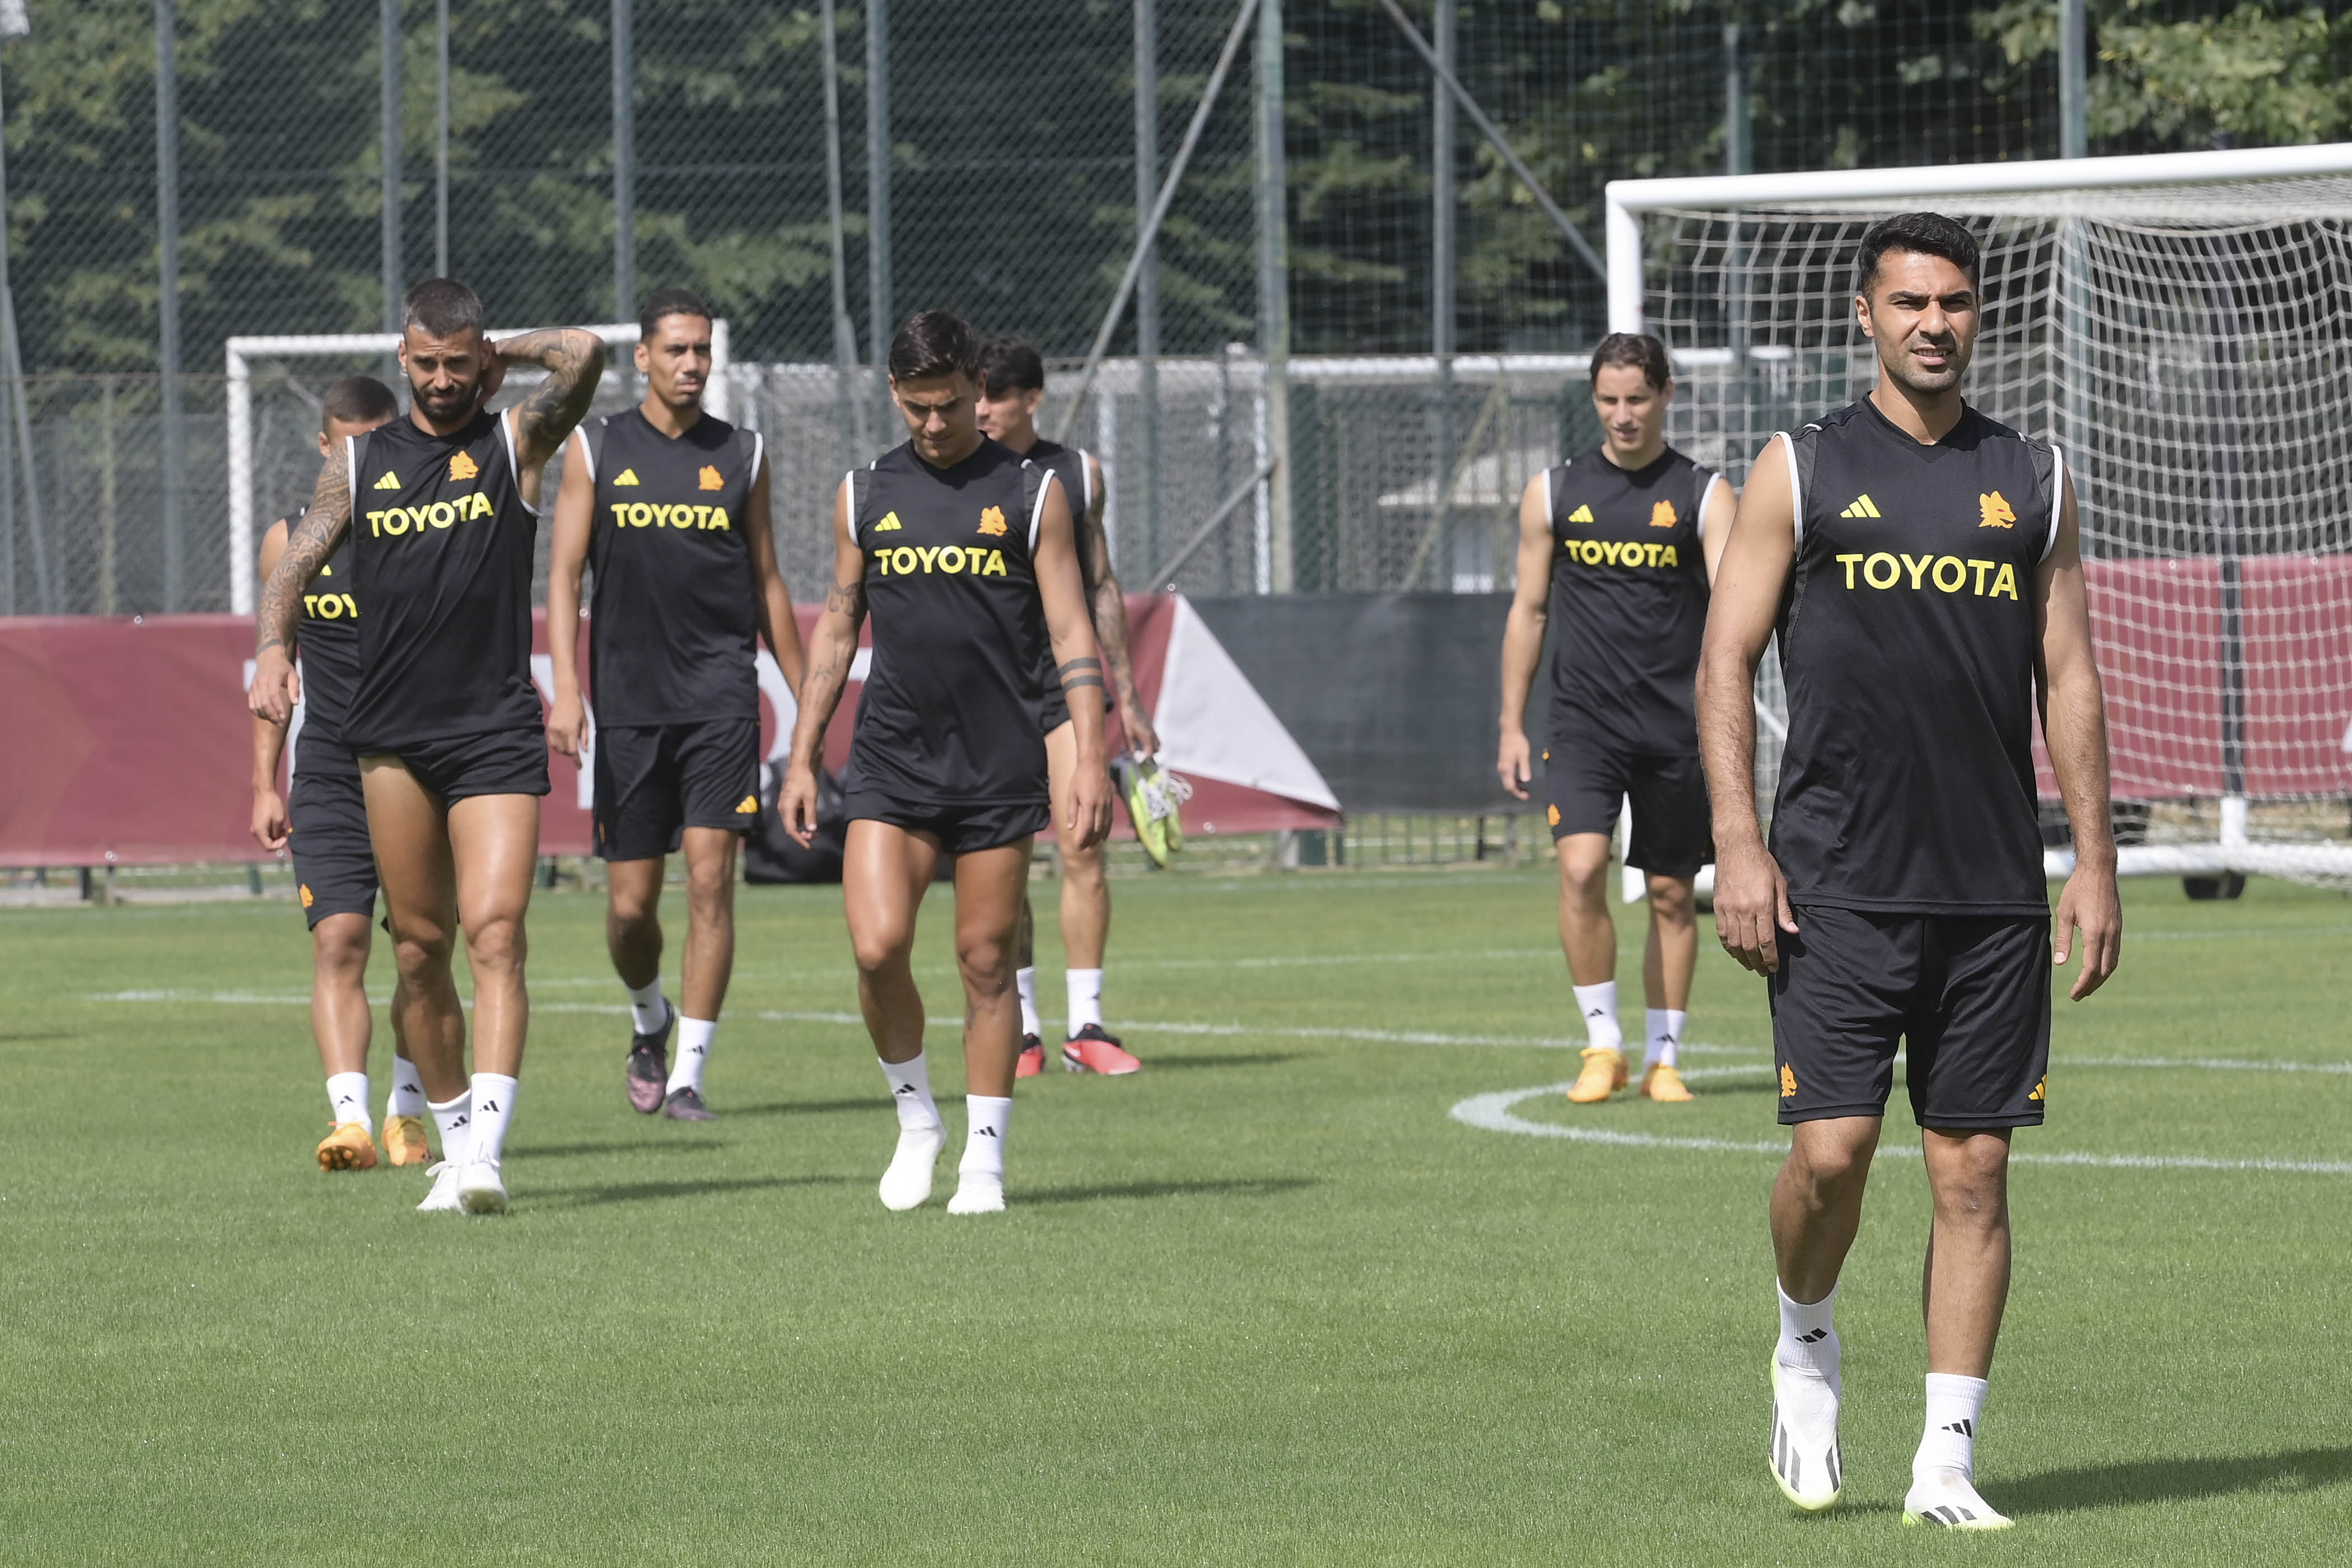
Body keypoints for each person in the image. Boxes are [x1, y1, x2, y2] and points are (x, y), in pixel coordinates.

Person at [1696, 212, 2120, 1529]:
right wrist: (1739, 840)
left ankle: (1946, 1458)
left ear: (1977, 315)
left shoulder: (2033, 476)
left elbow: (2069, 678)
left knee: (1974, 1172)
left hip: (1992, 889)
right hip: (1833, 878)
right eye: (1909, 302)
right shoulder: (1799, 468)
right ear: (1866, 316)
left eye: (1955, 302)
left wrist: (2096, 862)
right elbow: (1722, 666)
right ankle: (1805, 1339)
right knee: (1831, 1154)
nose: (1934, 322)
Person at [250, 278, 608, 1217]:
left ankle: (484, 1152)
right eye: (429, 363)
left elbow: (587, 354)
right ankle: (452, 1147)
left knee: (497, 933)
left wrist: (506, 352)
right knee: (417, 953)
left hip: (492, 730)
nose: (445, 380)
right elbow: (291, 569)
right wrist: (272, 649)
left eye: (460, 362)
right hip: (388, 741)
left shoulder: (512, 442)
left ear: (476, 359)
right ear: (402, 361)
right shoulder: (359, 466)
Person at [782, 310, 1111, 1216]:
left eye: (953, 405)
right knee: (877, 945)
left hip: (999, 761)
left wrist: (1087, 758)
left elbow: (1072, 629)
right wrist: (805, 754)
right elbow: (840, 624)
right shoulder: (863, 494)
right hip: (892, 756)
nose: (935, 424)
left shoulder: (1032, 493)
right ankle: (918, 1118)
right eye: (919, 407)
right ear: (896, 393)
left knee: (983, 962)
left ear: (978, 389)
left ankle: (984, 1163)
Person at [546, 287, 805, 1122]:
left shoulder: (744, 454)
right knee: (628, 909)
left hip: (721, 701)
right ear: (644, 358)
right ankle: (648, 1018)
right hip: (626, 707)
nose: (693, 365)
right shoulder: (596, 447)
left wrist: (811, 707)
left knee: (710, 884)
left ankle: (690, 1072)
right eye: (678, 350)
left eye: (703, 351)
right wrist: (567, 688)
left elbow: (768, 581)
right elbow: (562, 576)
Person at [1497, 333, 1734, 1105]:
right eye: (1609, 400)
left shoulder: (1705, 493)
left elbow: (1736, 614)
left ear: (1667, 394)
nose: (1623, 415)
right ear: (1592, 399)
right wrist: (1511, 723)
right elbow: (1530, 611)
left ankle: (1665, 1057)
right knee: (1578, 869)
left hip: (1677, 727)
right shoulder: (1554, 492)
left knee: (1671, 893)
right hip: (1584, 722)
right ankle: (1603, 1046)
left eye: (1638, 398)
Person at [248, 377, 428, 1171]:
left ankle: (410, 1113)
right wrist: (264, 780)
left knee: (422, 951)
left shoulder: (431, 532)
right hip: (326, 767)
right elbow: (273, 671)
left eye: (378, 443)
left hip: (422, 766)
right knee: (341, 943)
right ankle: (351, 1120)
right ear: (325, 448)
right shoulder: (288, 541)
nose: (362, 460)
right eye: (348, 445)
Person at [973, 335, 1156, 1077]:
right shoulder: (957, 473)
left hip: (1061, 686)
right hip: (989, 688)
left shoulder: (1078, 474)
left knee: (1082, 846)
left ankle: (1088, 1026)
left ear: (1031, 399)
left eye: (994, 395)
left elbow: (1103, 585)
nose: (979, 409)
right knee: (1002, 861)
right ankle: (1022, 1032)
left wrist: (1130, 696)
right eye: (972, 394)